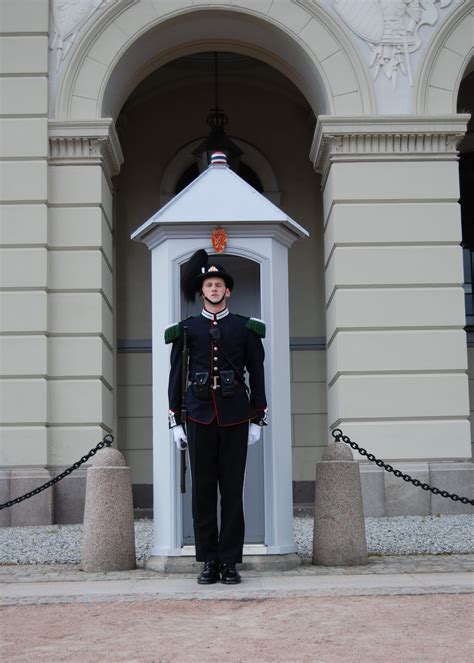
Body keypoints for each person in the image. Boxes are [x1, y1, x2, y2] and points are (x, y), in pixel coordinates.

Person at [165, 249, 267, 585]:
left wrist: (257, 417)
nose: (213, 289)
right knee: (203, 492)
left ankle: (230, 561)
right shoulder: (188, 329)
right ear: (202, 291)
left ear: (228, 291)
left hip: (236, 417)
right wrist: (175, 420)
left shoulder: (244, 328)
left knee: (232, 491)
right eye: (208, 284)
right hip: (198, 416)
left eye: (219, 284)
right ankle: (209, 559)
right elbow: (176, 374)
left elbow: (257, 373)